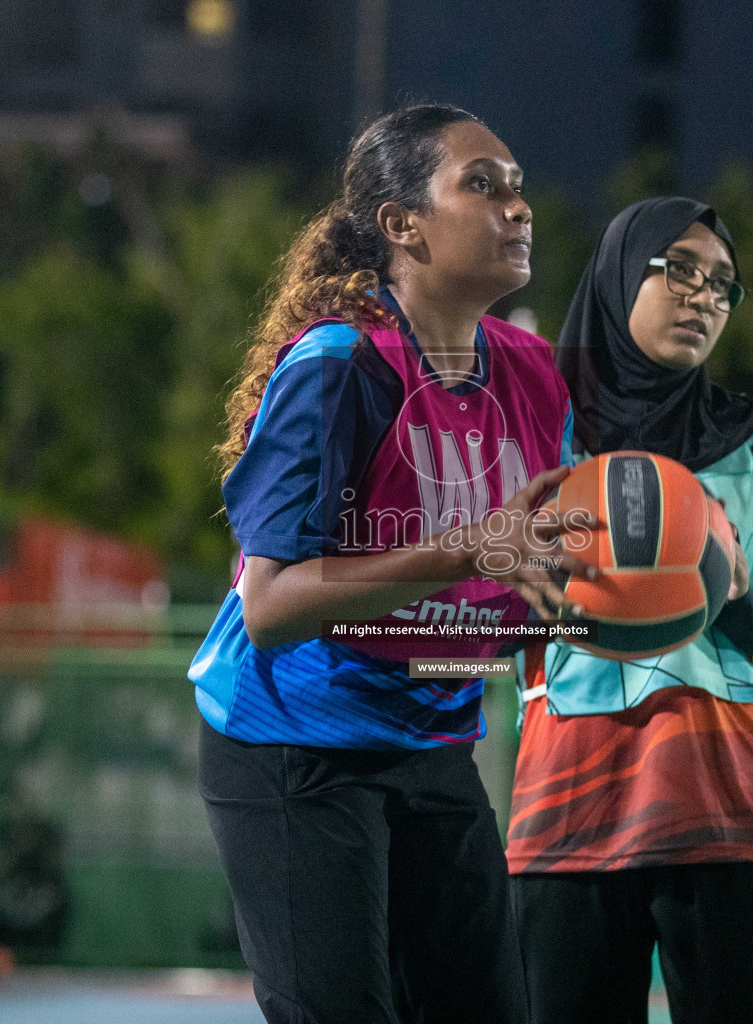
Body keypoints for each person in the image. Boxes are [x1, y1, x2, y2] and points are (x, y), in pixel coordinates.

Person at [188, 103, 593, 1024]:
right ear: (402, 225)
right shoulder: (340, 369)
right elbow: (273, 607)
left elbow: (514, 598)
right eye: (481, 185)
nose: (517, 207)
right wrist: (474, 547)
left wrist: (606, 599)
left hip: (430, 739)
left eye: (519, 187)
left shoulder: (535, 376)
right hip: (293, 740)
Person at [506, 197, 753, 1024]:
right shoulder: (530, 439)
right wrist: (526, 581)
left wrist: (727, 602)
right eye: (678, 269)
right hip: (567, 811)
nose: (702, 297)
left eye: (722, 285)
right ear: (619, 275)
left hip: (728, 812)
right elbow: (468, 622)